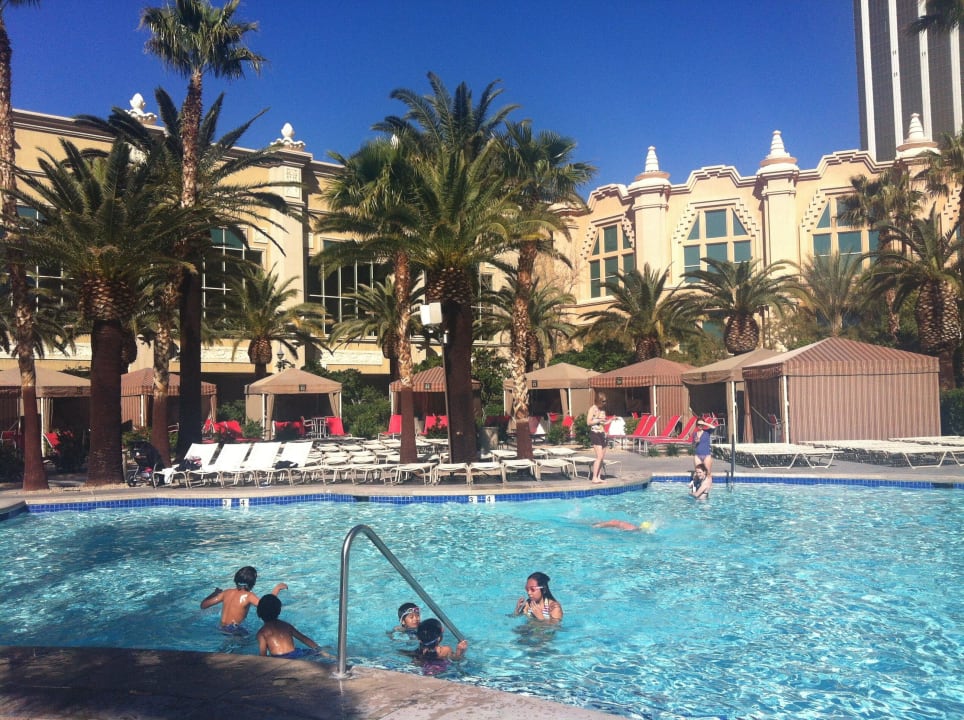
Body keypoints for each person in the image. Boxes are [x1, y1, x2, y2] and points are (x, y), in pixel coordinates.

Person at [200, 566, 288, 635]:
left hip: (220, 628)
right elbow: (267, 605)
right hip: (235, 630)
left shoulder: (226, 592)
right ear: (253, 583)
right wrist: (276, 589)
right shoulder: (248, 596)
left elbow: (203, 605)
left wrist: (214, 593)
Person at [255, 593, 326, 658]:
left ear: (259, 612)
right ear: (279, 611)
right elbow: (304, 639)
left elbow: (263, 656)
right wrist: (319, 650)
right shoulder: (286, 626)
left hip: (279, 658)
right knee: (314, 652)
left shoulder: (262, 633)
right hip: (295, 654)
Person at [586, 392, 610, 484]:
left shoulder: (602, 409)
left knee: (602, 458)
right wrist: (599, 419)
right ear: (598, 400)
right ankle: (594, 478)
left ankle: (598, 477)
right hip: (595, 433)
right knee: (599, 456)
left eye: (605, 401)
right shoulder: (592, 409)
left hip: (602, 434)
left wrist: (610, 420)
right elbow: (588, 422)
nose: (605, 403)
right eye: (603, 401)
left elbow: (602, 423)